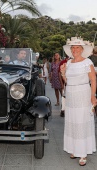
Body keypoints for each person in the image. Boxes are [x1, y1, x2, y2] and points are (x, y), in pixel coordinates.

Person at [60, 38, 96, 166]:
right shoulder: (68, 63)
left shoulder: (87, 62)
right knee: (73, 122)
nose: (75, 50)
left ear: (82, 50)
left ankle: (83, 154)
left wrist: (93, 96)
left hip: (83, 94)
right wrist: (63, 73)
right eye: (73, 48)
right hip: (71, 96)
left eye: (77, 48)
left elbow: (93, 79)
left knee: (81, 122)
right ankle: (74, 149)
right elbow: (67, 81)